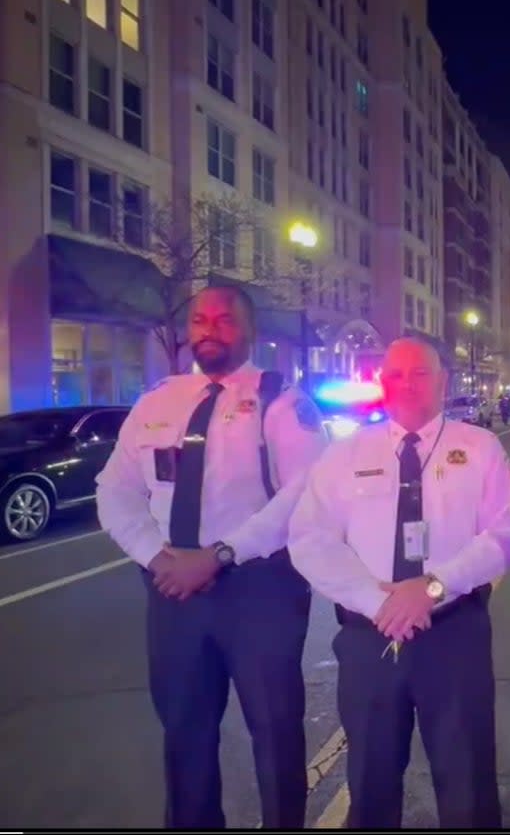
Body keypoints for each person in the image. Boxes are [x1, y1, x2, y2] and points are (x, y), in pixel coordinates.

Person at [95, 284, 329, 829]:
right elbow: (115, 488)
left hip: (258, 592)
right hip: (174, 592)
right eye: (200, 320)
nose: (209, 330)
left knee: (274, 732)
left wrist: (221, 554)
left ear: (250, 331)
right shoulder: (159, 402)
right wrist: (157, 557)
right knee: (184, 732)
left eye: (224, 321)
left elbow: (304, 493)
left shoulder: (282, 402)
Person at [288, 337, 510, 828]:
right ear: (382, 382)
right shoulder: (344, 455)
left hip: (454, 635)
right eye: (395, 374)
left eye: (420, 373)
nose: (406, 384)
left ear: (443, 381)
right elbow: (310, 539)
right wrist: (377, 602)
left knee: (468, 783)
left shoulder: (478, 448)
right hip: (367, 637)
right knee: (371, 784)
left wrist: (433, 587)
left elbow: (507, 536)